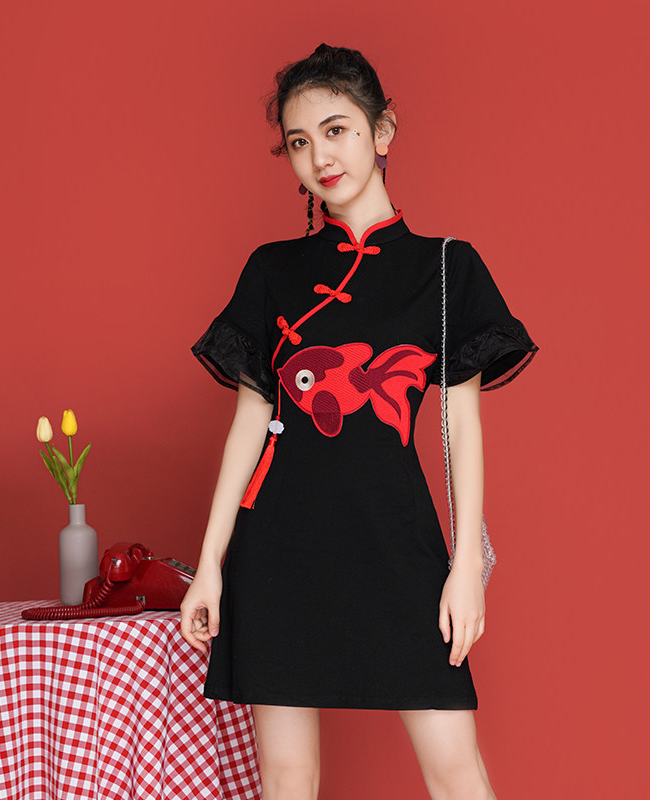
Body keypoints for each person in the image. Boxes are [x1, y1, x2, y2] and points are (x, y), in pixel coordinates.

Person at [180, 43, 538, 800]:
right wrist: (210, 561)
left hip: (395, 542)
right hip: (278, 552)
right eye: (299, 142)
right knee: (287, 777)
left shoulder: (447, 269)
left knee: (456, 771)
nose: (319, 157)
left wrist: (465, 570)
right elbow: (249, 423)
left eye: (336, 130)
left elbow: (460, 426)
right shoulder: (272, 270)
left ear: (383, 130)